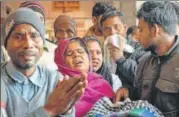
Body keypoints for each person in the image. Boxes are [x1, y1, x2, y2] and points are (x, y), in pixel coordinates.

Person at [1, 8, 87, 117]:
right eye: (18, 37)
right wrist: (49, 110)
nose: (28, 44)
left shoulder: (55, 80)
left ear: (43, 43)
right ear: (5, 44)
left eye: (34, 36)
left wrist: (66, 111)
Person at [117, 1, 179, 117]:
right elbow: (139, 97)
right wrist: (128, 91)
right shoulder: (144, 62)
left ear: (154, 30)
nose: (138, 35)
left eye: (141, 29)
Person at [54, 37, 114, 117]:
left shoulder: (102, 83)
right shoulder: (58, 84)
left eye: (81, 51)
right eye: (69, 54)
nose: (76, 55)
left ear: (88, 58)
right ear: (61, 62)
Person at [20, 1, 58, 70]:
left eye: (40, 19)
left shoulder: (56, 49)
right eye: (31, 17)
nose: (36, 22)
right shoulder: (7, 50)